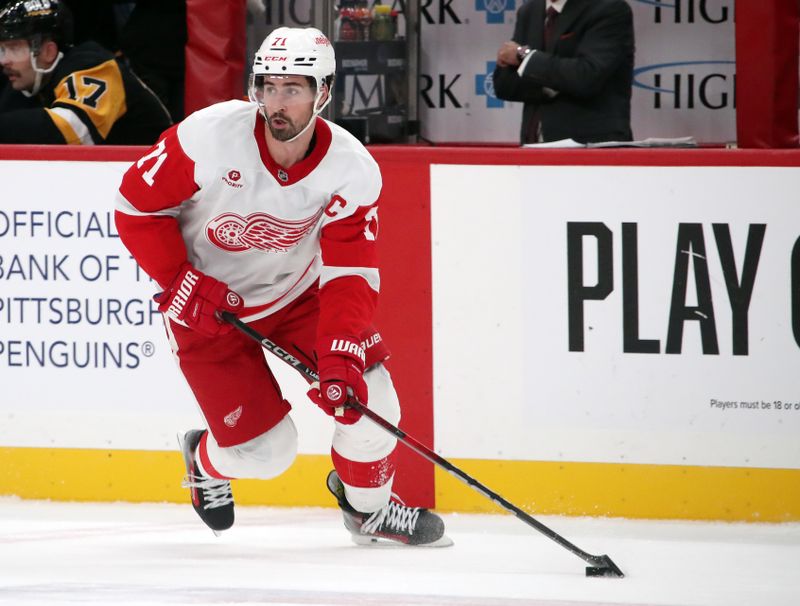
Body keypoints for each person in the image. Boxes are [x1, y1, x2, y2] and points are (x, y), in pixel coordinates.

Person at [114, 26, 451, 547]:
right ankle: (204, 457)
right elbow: (136, 207)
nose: (277, 102)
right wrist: (179, 279)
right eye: (267, 86)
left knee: (373, 402)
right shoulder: (208, 136)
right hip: (205, 311)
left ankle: (370, 512)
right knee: (268, 456)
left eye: (292, 88)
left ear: (324, 93)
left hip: (297, 299)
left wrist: (340, 347)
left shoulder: (351, 168)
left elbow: (350, 270)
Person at [0, 0, 171, 144]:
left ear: (48, 51)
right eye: (2, 50)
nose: (4, 60)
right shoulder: (28, 78)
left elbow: (74, 130)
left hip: (157, 176)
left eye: (14, 48)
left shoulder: (95, 66)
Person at [493, 0, 634, 144]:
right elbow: (504, 86)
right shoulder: (529, 11)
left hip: (590, 146)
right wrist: (552, 84)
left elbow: (587, 76)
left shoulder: (609, 8)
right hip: (533, 145)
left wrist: (524, 56)